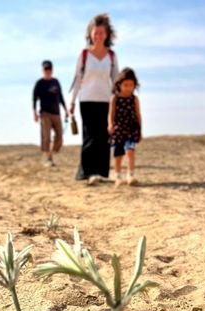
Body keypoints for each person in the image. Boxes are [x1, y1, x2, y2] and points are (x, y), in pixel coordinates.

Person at [69, 13, 119, 184]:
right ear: (90, 34)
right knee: (90, 136)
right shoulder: (84, 55)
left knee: (104, 137)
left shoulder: (111, 56)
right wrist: (72, 102)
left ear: (107, 35)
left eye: (101, 33)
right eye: (95, 33)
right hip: (87, 100)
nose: (98, 36)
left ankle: (102, 173)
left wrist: (118, 101)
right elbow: (77, 79)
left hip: (106, 100)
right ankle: (88, 172)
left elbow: (116, 79)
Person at [108, 67, 142, 187]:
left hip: (131, 129)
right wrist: (110, 124)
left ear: (134, 85)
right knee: (118, 155)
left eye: (131, 85)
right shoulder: (115, 99)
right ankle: (117, 176)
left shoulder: (134, 99)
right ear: (119, 85)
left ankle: (130, 175)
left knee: (130, 152)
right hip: (118, 130)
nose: (128, 88)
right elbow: (111, 114)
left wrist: (140, 130)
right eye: (125, 85)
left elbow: (138, 115)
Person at [33, 60, 69, 167]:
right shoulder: (39, 83)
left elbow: (60, 97)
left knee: (59, 136)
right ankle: (49, 158)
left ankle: (51, 153)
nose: (47, 71)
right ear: (42, 70)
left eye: (49, 69)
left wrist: (65, 109)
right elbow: (34, 98)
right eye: (45, 69)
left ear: (52, 70)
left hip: (56, 113)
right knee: (46, 137)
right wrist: (34, 112)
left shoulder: (56, 82)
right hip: (45, 114)